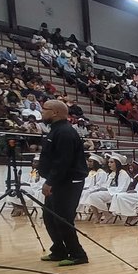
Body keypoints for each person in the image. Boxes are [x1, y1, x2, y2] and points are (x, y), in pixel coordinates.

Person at [37, 98, 88, 265]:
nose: (42, 112)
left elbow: (63, 161)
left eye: (45, 109)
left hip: (68, 182)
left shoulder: (65, 132)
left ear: (55, 112)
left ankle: (78, 254)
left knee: (63, 218)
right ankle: (59, 250)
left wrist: (50, 181)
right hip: (59, 181)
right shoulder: (56, 130)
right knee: (50, 217)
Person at [76, 152, 108, 219]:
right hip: (87, 189)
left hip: (97, 190)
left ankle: (97, 213)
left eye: (91, 161)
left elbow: (100, 185)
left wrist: (90, 189)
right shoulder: (90, 172)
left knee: (86, 193)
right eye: (88, 161)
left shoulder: (101, 173)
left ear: (96, 162)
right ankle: (75, 212)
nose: (89, 163)